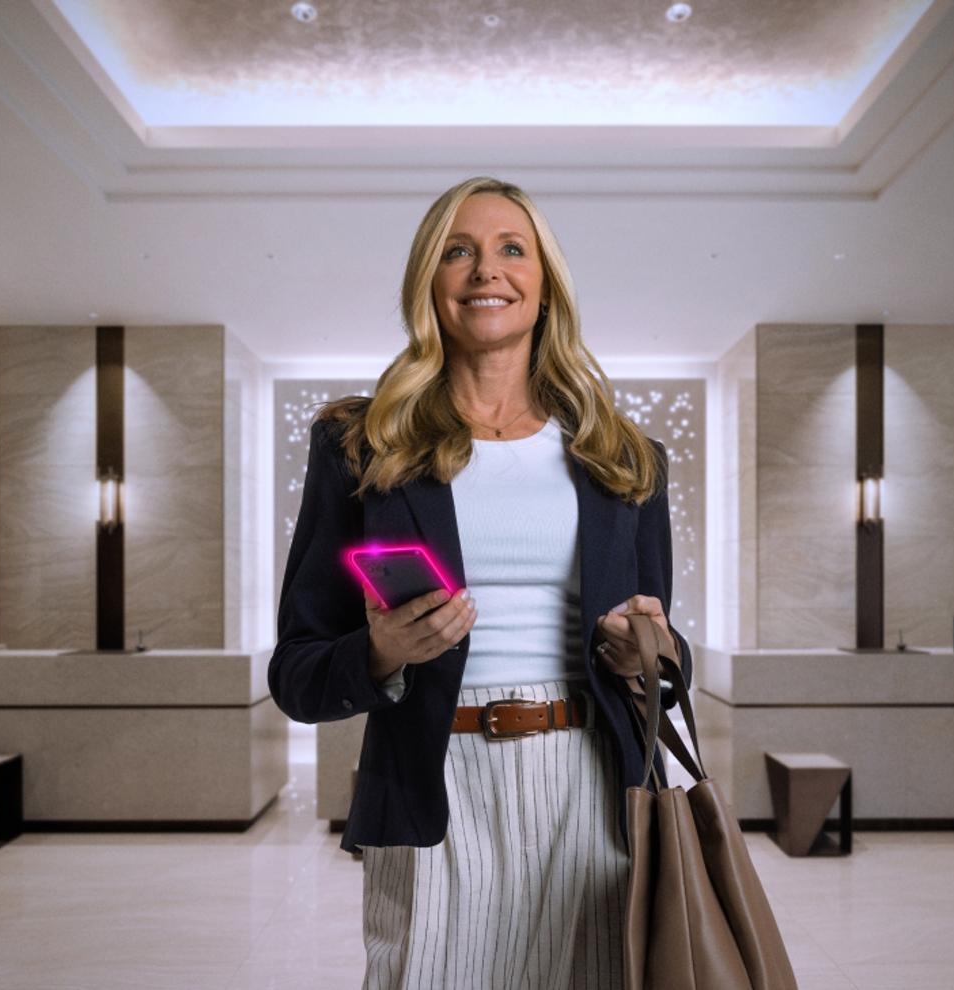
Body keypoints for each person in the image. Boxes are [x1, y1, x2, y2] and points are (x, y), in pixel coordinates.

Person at [269, 176, 691, 990]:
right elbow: (296, 675)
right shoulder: (360, 447)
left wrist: (648, 653)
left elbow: (663, 669)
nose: (484, 270)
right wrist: (381, 654)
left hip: (591, 788)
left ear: (544, 285)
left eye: (510, 250)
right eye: (457, 251)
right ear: (429, 282)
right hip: (430, 783)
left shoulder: (625, 457)